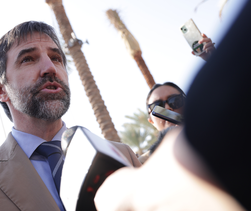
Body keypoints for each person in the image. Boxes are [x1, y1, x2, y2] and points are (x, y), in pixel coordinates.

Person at [0, 21, 141, 211]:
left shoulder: (123, 155)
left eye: (56, 58)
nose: (50, 68)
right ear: (1, 91)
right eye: (28, 59)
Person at [95, 0, 251, 210]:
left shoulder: (223, 126)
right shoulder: (139, 166)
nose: (168, 109)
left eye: (175, 101)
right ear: (151, 119)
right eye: (158, 107)